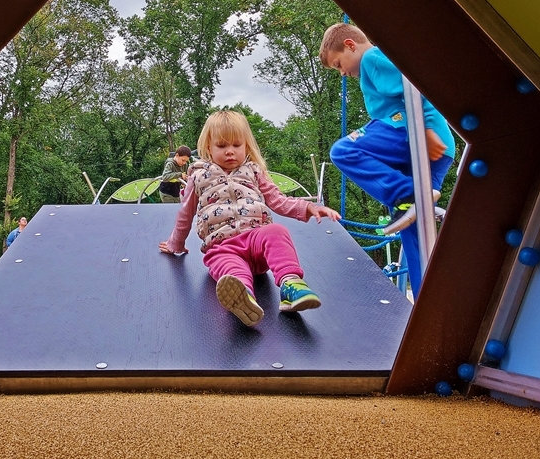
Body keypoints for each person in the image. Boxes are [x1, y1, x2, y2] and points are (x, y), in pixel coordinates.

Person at [159, 110, 340, 327]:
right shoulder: (198, 176)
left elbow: (278, 200)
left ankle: (291, 284)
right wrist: (175, 244)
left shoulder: (253, 171)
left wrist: (309, 207)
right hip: (222, 246)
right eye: (222, 146)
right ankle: (243, 297)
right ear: (209, 148)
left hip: (256, 241)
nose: (230, 152)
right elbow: (185, 215)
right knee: (231, 269)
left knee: (277, 232)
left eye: (236, 145)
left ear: (246, 145)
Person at [319, 22, 455, 297]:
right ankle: (428, 302)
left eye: (338, 65)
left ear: (349, 45)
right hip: (434, 151)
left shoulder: (372, 57)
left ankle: (409, 193)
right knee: (415, 228)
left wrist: (427, 128)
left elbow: (414, 86)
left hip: (410, 132)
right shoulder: (371, 64)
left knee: (343, 151)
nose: (343, 73)